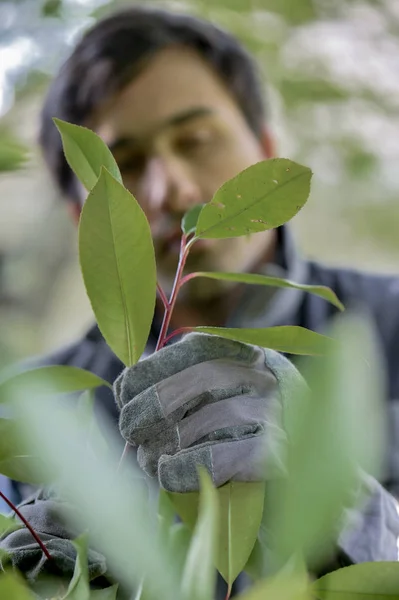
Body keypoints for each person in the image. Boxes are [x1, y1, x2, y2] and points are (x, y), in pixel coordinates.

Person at [1, 5, 399, 597]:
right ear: (85, 217)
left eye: (197, 139)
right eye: (127, 165)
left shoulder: (387, 328)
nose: (175, 190)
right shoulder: (27, 413)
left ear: (266, 149)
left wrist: (353, 515)